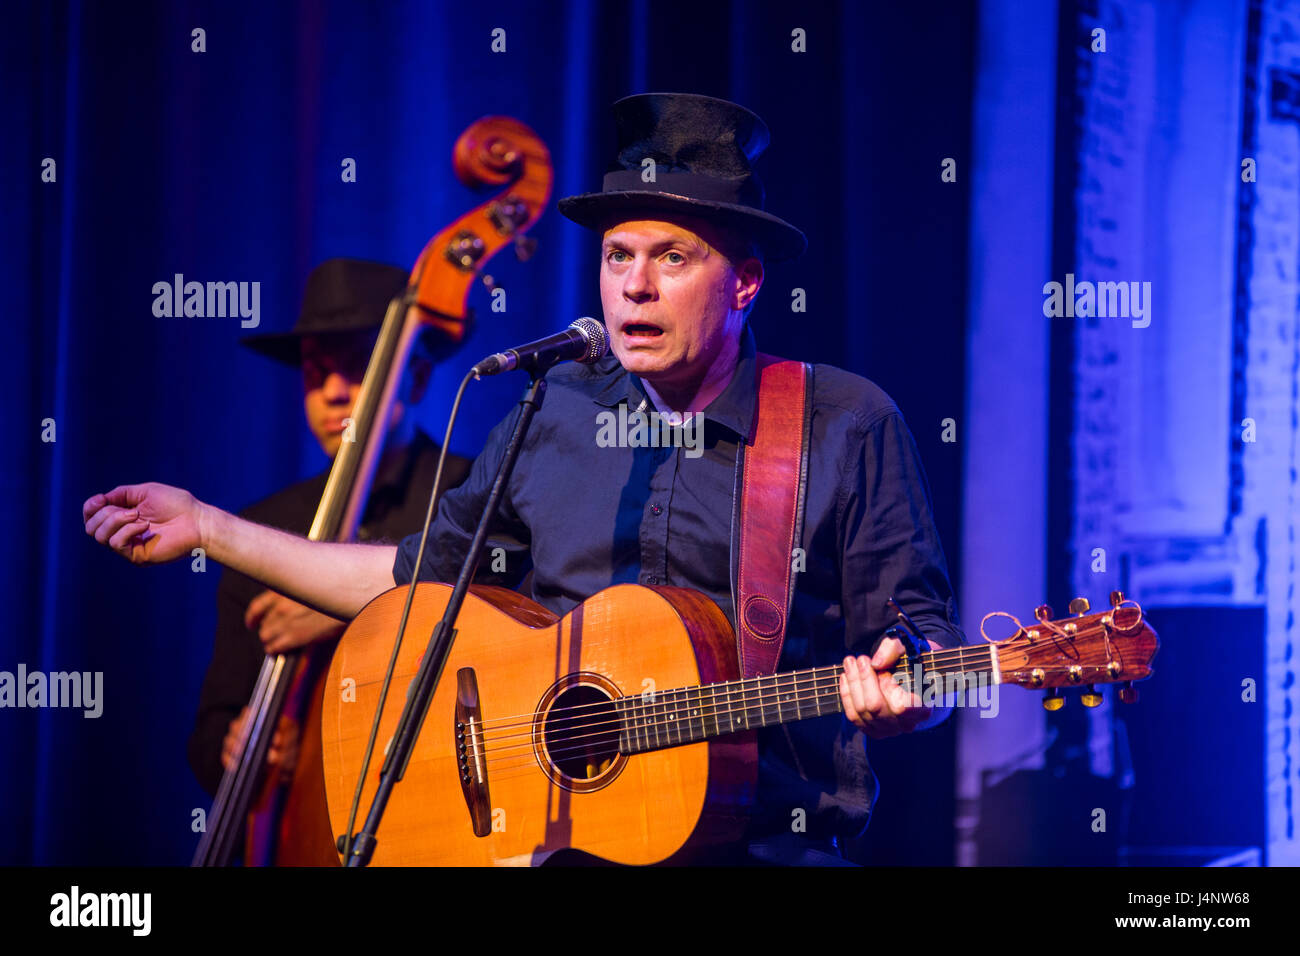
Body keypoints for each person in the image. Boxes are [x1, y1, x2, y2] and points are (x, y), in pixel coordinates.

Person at [85, 93, 965, 865]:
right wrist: (207, 526)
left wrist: (906, 695)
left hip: (764, 850)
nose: (635, 289)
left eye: (672, 258)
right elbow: (411, 578)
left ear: (743, 283)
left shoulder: (842, 422)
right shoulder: (554, 408)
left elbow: (928, 657)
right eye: (619, 256)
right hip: (550, 846)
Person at [187, 257, 473, 797]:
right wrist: (234, 745)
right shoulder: (264, 526)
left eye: (357, 367)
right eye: (317, 371)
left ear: (414, 377)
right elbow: (208, 727)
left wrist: (339, 608)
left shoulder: (472, 495)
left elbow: (499, 646)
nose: (334, 392)